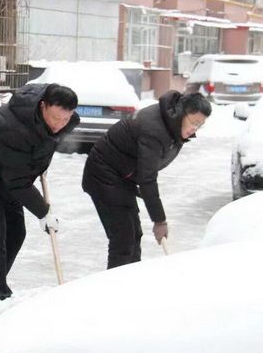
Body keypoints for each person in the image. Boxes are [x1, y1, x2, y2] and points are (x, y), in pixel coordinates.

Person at [0, 83, 79, 303]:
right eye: (55, 118)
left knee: (16, 233)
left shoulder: (55, 121)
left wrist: (39, 165)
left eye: (65, 119)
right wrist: (43, 212)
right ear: (43, 106)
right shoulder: (12, 127)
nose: (59, 124)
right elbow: (17, 180)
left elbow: (35, 150)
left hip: (11, 177)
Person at [82, 91, 212, 269]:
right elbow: (147, 177)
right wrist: (160, 220)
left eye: (200, 125)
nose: (194, 129)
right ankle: (116, 284)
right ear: (183, 112)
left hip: (123, 176)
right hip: (103, 174)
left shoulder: (171, 122)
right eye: (194, 123)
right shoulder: (155, 129)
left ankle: (132, 280)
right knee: (123, 238)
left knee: (134, 235)